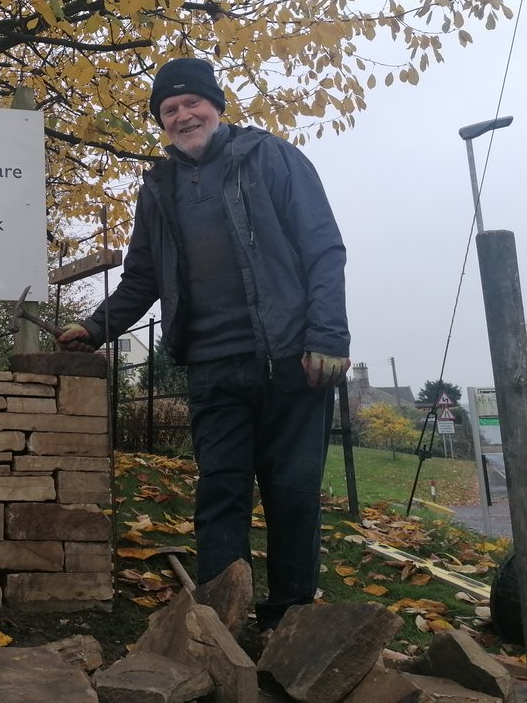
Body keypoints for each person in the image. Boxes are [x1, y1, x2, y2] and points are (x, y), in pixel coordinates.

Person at [59, 57, 349, 630]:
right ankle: (223, 622)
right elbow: (142, 276)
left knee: (293, 494)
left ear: (216, 105)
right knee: (220, 492)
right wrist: (95, 327)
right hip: (211, 367)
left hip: (291, 359)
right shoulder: (159, 187)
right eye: (169, 109)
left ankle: (289, 622)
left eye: (192, 102)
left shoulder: (271, 157)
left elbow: (323, 247)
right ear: (161, 122)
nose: (183, 115)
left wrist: (328, 336)